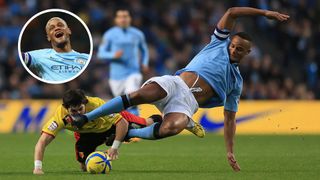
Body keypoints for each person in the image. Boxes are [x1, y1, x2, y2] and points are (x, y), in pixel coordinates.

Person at [69, 7, 289, 171]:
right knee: (140, 95)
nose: (233, 50)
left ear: (247, 53)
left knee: (171, 128)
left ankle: (130, 132)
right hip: (175, 84)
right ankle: (87, 117)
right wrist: (264, 14)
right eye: (233, 45)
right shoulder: (218, 43)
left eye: (239, 49)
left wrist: (230, 150)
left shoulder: (236, 82)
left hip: (186, 104)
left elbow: (229, 118)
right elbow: (232, 12)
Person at [33, 89, 161, 175]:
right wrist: (38, 167)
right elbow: (42, 142)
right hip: (87, 136)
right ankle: (115, 138)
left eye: (80, 109)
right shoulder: (60, 116)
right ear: (66, 108)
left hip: (111, 124)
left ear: (85, 103)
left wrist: (114, 147)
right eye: (73, 111)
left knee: (146, 123)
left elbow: (122, 123)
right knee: (84, 167)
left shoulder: (97, 105)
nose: (78, 114)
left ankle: (163, 116)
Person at [97, 9, 149, 115]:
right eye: (120, 17)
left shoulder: (137, 34)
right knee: (121, 103)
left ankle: (137, 124)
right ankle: (126, 124)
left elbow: (144, 50)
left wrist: (144, 63)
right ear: (116, 19)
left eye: (125, 16)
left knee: (132, 96)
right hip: (116, 76)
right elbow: (101, 53)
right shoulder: (109, 35)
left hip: (133, 72)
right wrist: (113, 55)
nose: (123, 19)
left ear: (130, 18)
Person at [22, 17, 89, 82]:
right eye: (51, 28)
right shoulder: (39, 56)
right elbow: (20, 57)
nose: (57, 28)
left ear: (69, 31)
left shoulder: (86, 58)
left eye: (60, 25)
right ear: (48, 37)